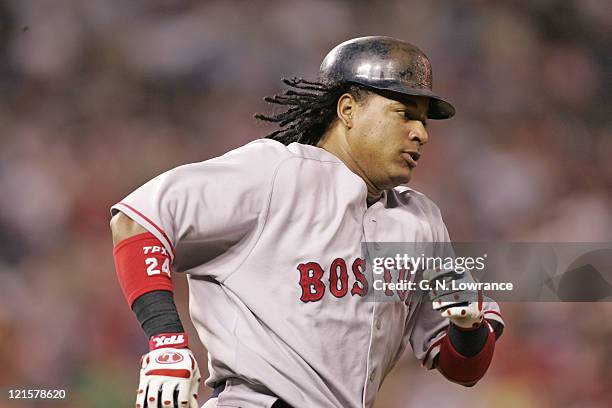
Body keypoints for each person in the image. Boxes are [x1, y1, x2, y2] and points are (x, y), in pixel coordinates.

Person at [110, 36, 504, 408]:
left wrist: (468, 330)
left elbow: (464, 368)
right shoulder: (275, 172)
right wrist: (166, 341)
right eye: (404, 113)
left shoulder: (421, 222)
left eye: (424, 122)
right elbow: (138, 222)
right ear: (348, 110)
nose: (420, 133)